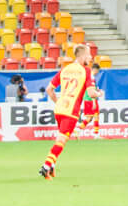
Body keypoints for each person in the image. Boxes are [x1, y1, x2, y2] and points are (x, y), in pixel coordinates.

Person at [42, 43, 98, 177]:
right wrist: (100, 93)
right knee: (62, 140)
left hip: (59, 109)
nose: (90, 58)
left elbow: (49, 89)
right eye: (89, 55)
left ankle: (52, 166)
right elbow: (91, 93)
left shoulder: (65, 69)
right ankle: (45, 166)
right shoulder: (86, 70)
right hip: (71, 111)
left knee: (60, 139)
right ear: (83, 55)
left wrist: (58, 102)